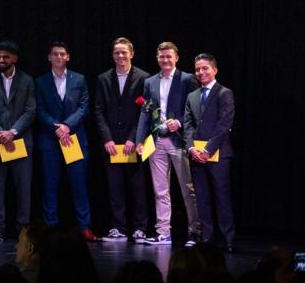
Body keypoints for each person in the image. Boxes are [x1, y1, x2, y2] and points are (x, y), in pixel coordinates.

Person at [134, 41, 200, 246]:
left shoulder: (187, 79)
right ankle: (163, 232)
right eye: (162, 56)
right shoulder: (150, 82)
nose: (165, 60)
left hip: (179, 140)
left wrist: (178, 122)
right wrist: (139, 139)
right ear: (157, 58)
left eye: (169, 56)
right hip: (157, 141)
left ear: (176, 58)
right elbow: (146, 111)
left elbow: (196, 107)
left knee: (188, 189)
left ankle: (195, 231)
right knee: (160, 190)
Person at [34, 42, 96, 241]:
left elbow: (84, 107)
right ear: (49, 57)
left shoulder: (79, 79)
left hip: (74, 138)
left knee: (79, 185)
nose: (59, 57)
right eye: (55, 54)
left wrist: (67, 126)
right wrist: (57, 127)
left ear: (68, 57)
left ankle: (84, 227)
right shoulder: (41, 81)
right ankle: (50, 227)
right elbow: (40, 110)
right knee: (50, 186)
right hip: (50, 140)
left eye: (62, 54)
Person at [94, 37, 150, 242]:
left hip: (134, 143)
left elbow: (145, 111)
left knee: (137, 186)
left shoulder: (144, 78)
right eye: (117, 52)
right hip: (111, 144)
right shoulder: (103, 78)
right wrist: (107, 139)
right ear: (112, 55)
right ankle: (118, 227)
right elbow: (98, 111)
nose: (120, 56)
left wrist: (133, 138)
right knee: (114, 187)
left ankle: (140, 227)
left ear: (131, 54)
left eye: (124, 52)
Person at [0, 40, 36, 241]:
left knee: (23, 187)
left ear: (15, 58)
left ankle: (22, 228)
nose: (1, 60)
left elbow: (30, 111)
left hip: (20, 140)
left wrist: (12, 132)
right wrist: (0, 133)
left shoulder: (27, 80)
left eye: (5, 57)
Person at [184, 53, 236, 252]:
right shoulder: (192, 96)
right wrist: (191, 148)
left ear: (215, 70)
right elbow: (188, 124)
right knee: (202, 198)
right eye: (197, 69)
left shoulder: (224, 93)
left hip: (218, 154)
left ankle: (228, 239)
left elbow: (224, 124)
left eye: (205, 68)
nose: (200, 72)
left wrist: (207, 150)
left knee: (222, 197)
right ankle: (206, 238)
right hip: (196, 154)